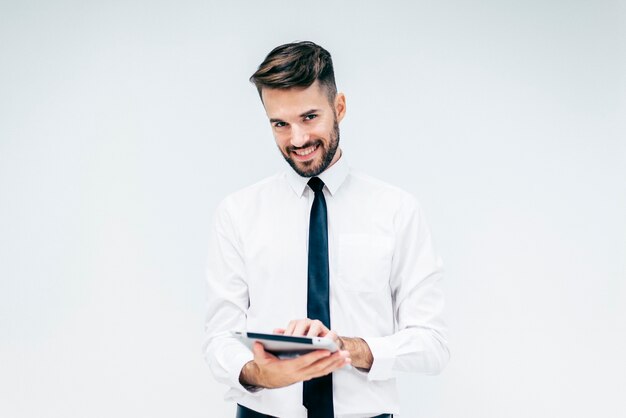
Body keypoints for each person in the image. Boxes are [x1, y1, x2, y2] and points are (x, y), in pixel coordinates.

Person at [204, 41, 449, 418]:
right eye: (280, 124)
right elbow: (219, 337)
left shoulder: (397, 210)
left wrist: (349, 349)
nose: (297, 139)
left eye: (309, 117)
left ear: (340, 108)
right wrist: (258, 373)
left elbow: (432, 344)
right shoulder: (237, 213)